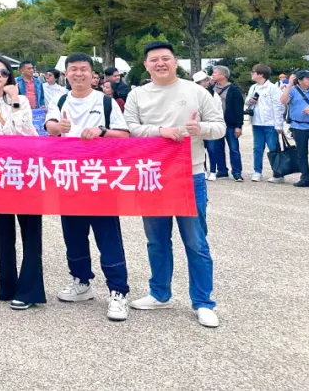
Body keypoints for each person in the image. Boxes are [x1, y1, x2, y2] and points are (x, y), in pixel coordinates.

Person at [125, 41, 226, 328]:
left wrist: (200, 129)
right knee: (156, 240)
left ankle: (203, 302)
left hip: (189, 175)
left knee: (195, 241)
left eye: (165, 58)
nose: (160, 63)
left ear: (175, 61)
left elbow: (218, 128)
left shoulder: (196, 91)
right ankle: (159, 293)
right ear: (145, 64)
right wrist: (160, 132)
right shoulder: (137, 95)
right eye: (154, 59)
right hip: (152, 175)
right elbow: (130, 129)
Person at [44, 52, 131, 322]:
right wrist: (58, 126)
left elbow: (125, 135)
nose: (78, 74)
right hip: (69, 178)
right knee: (73, 234)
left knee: (108, 236)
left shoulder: (105, 102)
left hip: (100, 179)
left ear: (92, 74)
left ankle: (118, 291)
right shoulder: (59, 100)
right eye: (73, 69)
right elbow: (48, 127)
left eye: (83, 69)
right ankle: (81, 281)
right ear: (66, 73)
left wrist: (101, 132)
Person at [0, 56, 45, 311]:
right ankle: (8, 285)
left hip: (25, 172)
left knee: (31, 232)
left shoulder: (21, 101)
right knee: (3, 233)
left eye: (4, 72)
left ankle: (30, 290)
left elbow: (23, 133)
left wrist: (14, 102)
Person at [280, 70, 309, 190]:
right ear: (299, 80)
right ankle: (305, 178)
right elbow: (283, 101)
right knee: (301, 154)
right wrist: (289, 85)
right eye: (308, 78)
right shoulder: (293, 91)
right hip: (298, 127)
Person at [245, 64, 285, 183]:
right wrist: (250, 100)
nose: (251, 74)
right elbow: (247, 100)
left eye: (253, 72)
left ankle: (278, 173)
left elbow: (278, 107)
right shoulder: (253, 87)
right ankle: (257, 171)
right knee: (257, 148)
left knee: (273, 148)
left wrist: (279, 125)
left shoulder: (273, 88)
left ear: (261, 74)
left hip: (270, 123)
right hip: (256, 123)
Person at [205, 65, 244, 182]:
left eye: (215, 72)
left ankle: (237, 172)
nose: (213, 74)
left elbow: (238, 108)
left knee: (234, 148)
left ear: (223, 75)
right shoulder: (211, 88)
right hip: (216, 123)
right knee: (217, 147)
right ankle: (222, 170)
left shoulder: (233, 89)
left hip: (230, 124)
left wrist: (239, 125)